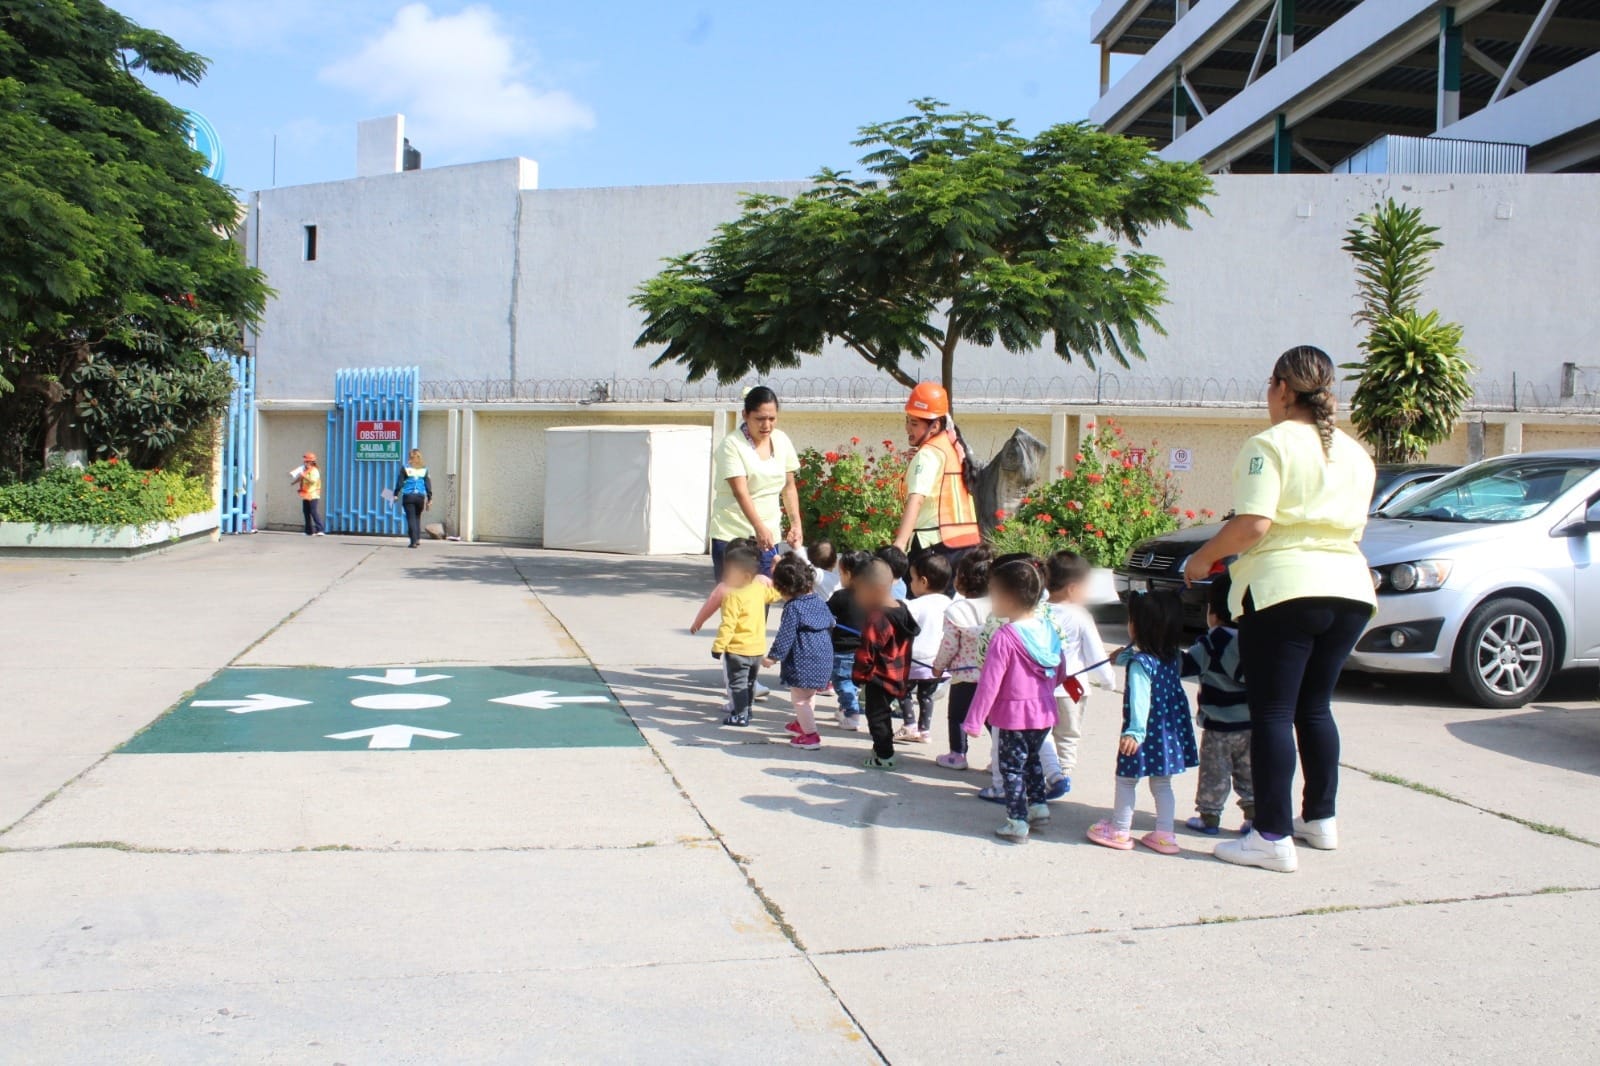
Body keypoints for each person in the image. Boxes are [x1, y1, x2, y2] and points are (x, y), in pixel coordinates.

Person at [1183, 345, 1377, 874]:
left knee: (1271, 712)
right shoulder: (1355, 453)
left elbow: (1254, 524)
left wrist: (1201, 558)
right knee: (1315, 708)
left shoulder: (1268, 445)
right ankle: (1319, 818)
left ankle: (1270, 836)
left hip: (1284, 588)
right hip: (1350, 588)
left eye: (1271, 386)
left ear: (1284, 389)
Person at [961, 558, 1070, 844]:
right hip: (1044, 712)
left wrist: (973, 721)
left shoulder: (1005, 636)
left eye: (994, 594)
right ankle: (1038, 806)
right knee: (1032, 760)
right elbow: (1061, 669)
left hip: (1013, 717)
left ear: (1008, 598)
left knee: (1011, 768)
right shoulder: (1047, 629)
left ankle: (1017, 821)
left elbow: (989, 685)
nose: (992, 601)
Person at [1087, 590, 1199, 855]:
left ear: (1139, 627)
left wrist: (1134, 732)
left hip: (1142, 734)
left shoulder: (1141, 665)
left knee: (1126, 780)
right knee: (1162, 784)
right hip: (1167, 734)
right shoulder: (1172, 656)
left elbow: (1140, 699)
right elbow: (1147, 659)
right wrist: (1123, 657)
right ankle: (1165, 834)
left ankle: (1119, 829)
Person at [1182, 574, 1253, 836]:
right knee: (1250, 772)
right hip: (1250, 723)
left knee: (1214, 772)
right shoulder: (1255, 642)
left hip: (1218, 725)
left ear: (1212, 612)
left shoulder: (1211, 642)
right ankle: (1253, 817)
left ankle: (1209, 817)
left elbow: (1186, 666)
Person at [709, 386, 802, 579]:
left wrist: (795, 525)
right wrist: (759, 527)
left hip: (769, 538)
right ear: (745, 415)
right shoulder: (731, 445)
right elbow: (740, 492)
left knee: (765, 595)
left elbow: (789, 487)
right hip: (733, 539)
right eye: (760, 419)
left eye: (772, 419)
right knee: (735, 597)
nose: (766, 425)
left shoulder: (781, 440)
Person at [1044, 551, 1117, 796]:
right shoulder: (1080, 616)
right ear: (1073, 588)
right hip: (1071, 689)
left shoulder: (1037, 611)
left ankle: (1044, 771)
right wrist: (1108, 680)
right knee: (1067, 734)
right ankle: (1063, 773)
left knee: (1042, 734)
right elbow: (1095, 653)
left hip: (1040, 687)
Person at [891, 383, 980, 584]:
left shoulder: (928, 454)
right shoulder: (952, 447)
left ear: (935, 426)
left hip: (933, 545)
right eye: (908, 421)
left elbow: (916, 500)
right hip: (965, 544)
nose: (907, 428)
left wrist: (899, 545)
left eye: (914, 423)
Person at [850, 558, 920, 770]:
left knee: (877, 717)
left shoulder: (878, 618)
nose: (856, 596)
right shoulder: (902, 608)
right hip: (898, 674)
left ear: (873, 590)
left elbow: (867, 651)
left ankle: (884, 756)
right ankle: (882, 749)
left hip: (879, 677)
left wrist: (859, 676)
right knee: (883, 714)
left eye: (858, 590)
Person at [763, 554, 835, 751]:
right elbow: (832, 622)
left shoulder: (793, 608)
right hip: (824, 658)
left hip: (804, 660)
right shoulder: (819, 600)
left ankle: (810, 735)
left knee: (801, 699)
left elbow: (785, 636)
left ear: (784, 588)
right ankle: (801, 723)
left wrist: (773, 657)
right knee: (808, 695)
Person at [931, 547, 993, 770]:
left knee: (958, 715)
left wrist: (938, 667)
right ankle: (1000, 757)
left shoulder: (957, 610)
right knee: (992, 718)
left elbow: (949, 644)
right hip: (993, 675)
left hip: (964, 675)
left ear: (962, 579)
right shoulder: (1000, 606)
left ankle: (958, 754)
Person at [711, 546, 783, 726]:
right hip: (757, 649)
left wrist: (718, 647)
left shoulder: (732, 595)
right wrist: (776, 573)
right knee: (750, 682)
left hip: (737, 650)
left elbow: (728, 624)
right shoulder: (759, 588)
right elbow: (776, 594)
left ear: (744, 575)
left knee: (738, 684)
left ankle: (740, 715)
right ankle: (747, 710)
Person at [898, 552, 953, 743]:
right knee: (926, 696)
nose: (911, 584)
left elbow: (903, 625)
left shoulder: (915, 605)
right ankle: (924, 730)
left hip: (915, 659)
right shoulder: (949, 603)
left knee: (902, 691)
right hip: (937, 660)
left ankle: (910, 724)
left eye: (912, 579)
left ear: (923, 581)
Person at [827, 551, 872, 731]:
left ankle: (852, 714)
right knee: (852, 683)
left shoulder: (840, 596)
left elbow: (825, 615)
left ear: (848, 574)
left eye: (841, 573)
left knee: (842, 682)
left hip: (843, 650)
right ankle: (844, 708)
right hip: (866, 650)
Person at [392, 449, 433, 549]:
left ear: (410, 457)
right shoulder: (424, 469)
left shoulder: (405, 468)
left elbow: (400, 482)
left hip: (409, 496)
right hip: (420, 496)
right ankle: (417, 538)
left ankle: (413, 541)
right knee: (417, 517)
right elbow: (428, 484)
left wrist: (396, 494)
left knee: (411, 519)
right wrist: (429, 498)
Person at [292, 452, 324, 536]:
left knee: (313, 511)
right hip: (306, 494)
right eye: (305, 461)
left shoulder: (315, 470)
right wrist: (293, 482)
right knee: (306, 512)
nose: (305, 462)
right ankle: (309, 531)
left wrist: (304, 476)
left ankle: (320, 529)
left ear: (311, 462)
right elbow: (301, 478)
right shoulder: (306, 470)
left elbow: (313, 481)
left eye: (307, 461)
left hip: (313, 494)